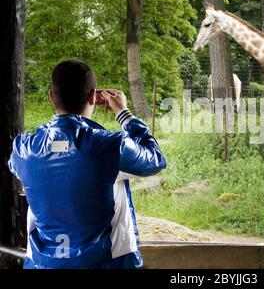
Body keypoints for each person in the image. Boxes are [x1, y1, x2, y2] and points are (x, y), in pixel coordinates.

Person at [8, 59, 166, 269]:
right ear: (93, 97)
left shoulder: (23, 149)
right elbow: (155, 159)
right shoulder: (109, 146)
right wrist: (124, 113)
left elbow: (20, 164)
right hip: (106, 264)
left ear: (51, 96)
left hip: (41, 264)